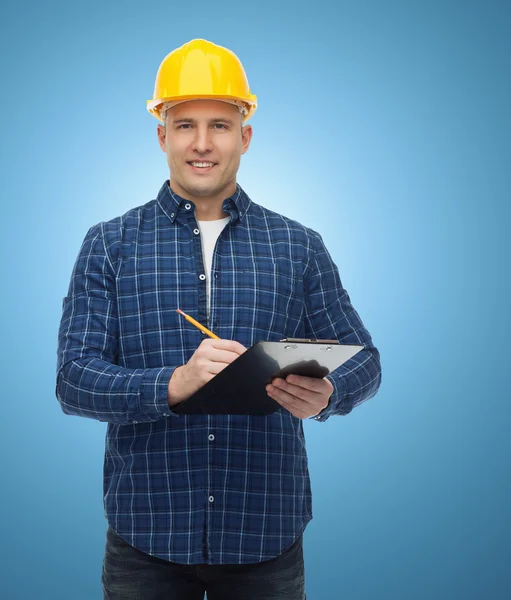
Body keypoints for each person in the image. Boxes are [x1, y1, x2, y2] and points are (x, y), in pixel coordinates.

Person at [56, 38, 381, 600]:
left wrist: (329, 394)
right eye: (185, 125)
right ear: (162, 134)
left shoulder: (297, 245)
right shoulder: (109, 244)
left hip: (265, 537)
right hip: (146, 536)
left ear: (245, 135)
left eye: (220, 125)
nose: (202, 144)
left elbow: (364, 360)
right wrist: (174, 383)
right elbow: (74, 380)